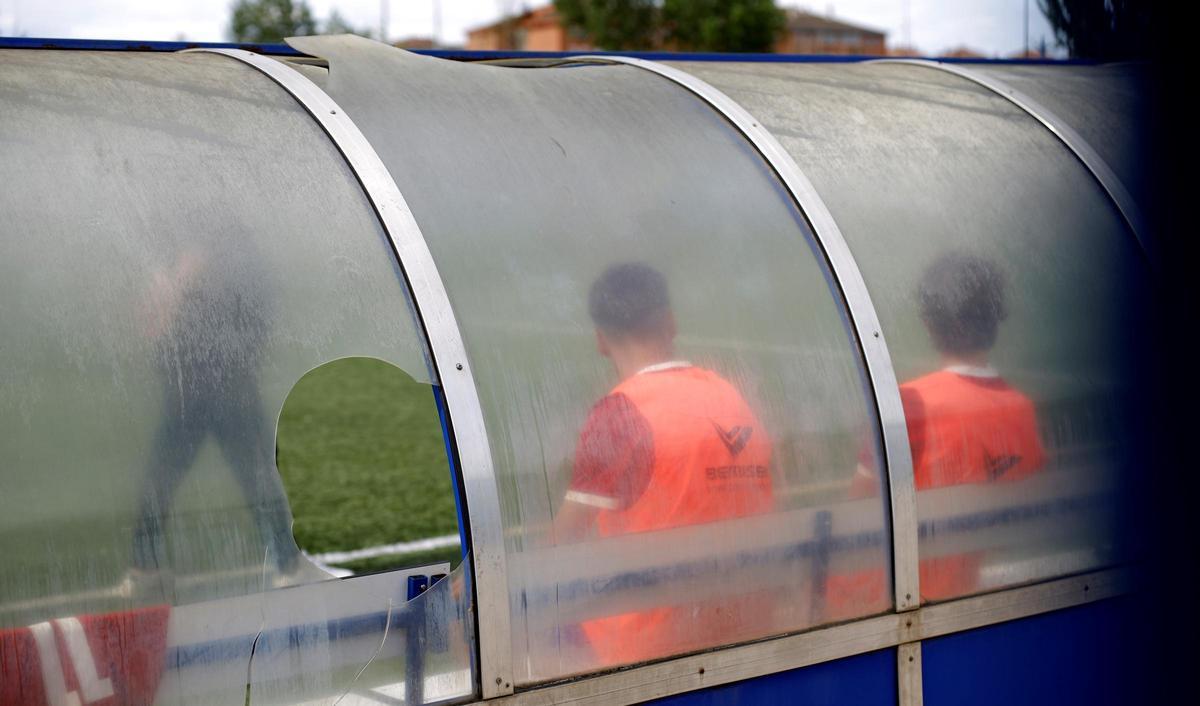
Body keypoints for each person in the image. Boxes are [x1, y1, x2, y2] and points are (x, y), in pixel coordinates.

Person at [553, 262, 775, 666]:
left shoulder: (620, 413)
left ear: (601, 341)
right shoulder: (730, 395)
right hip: (748, 626)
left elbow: (561, 542)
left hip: (650, 648)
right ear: (671, 324)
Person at [838, 251, 1046, 608]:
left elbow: (853, 516)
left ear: (930, 322)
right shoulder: (1021, 409)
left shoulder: (909, 405)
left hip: (900, 604)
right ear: (995, 318)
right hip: (971, 593)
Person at [124, 238, 309, 597]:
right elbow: (154, 330)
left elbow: (252, 323)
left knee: (255, 479)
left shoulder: (237, 268)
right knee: (162, 480)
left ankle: (286, 563)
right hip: (194, 393)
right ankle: (145, 564)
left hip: (227, 393)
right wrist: (172, 291)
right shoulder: (185, 273)